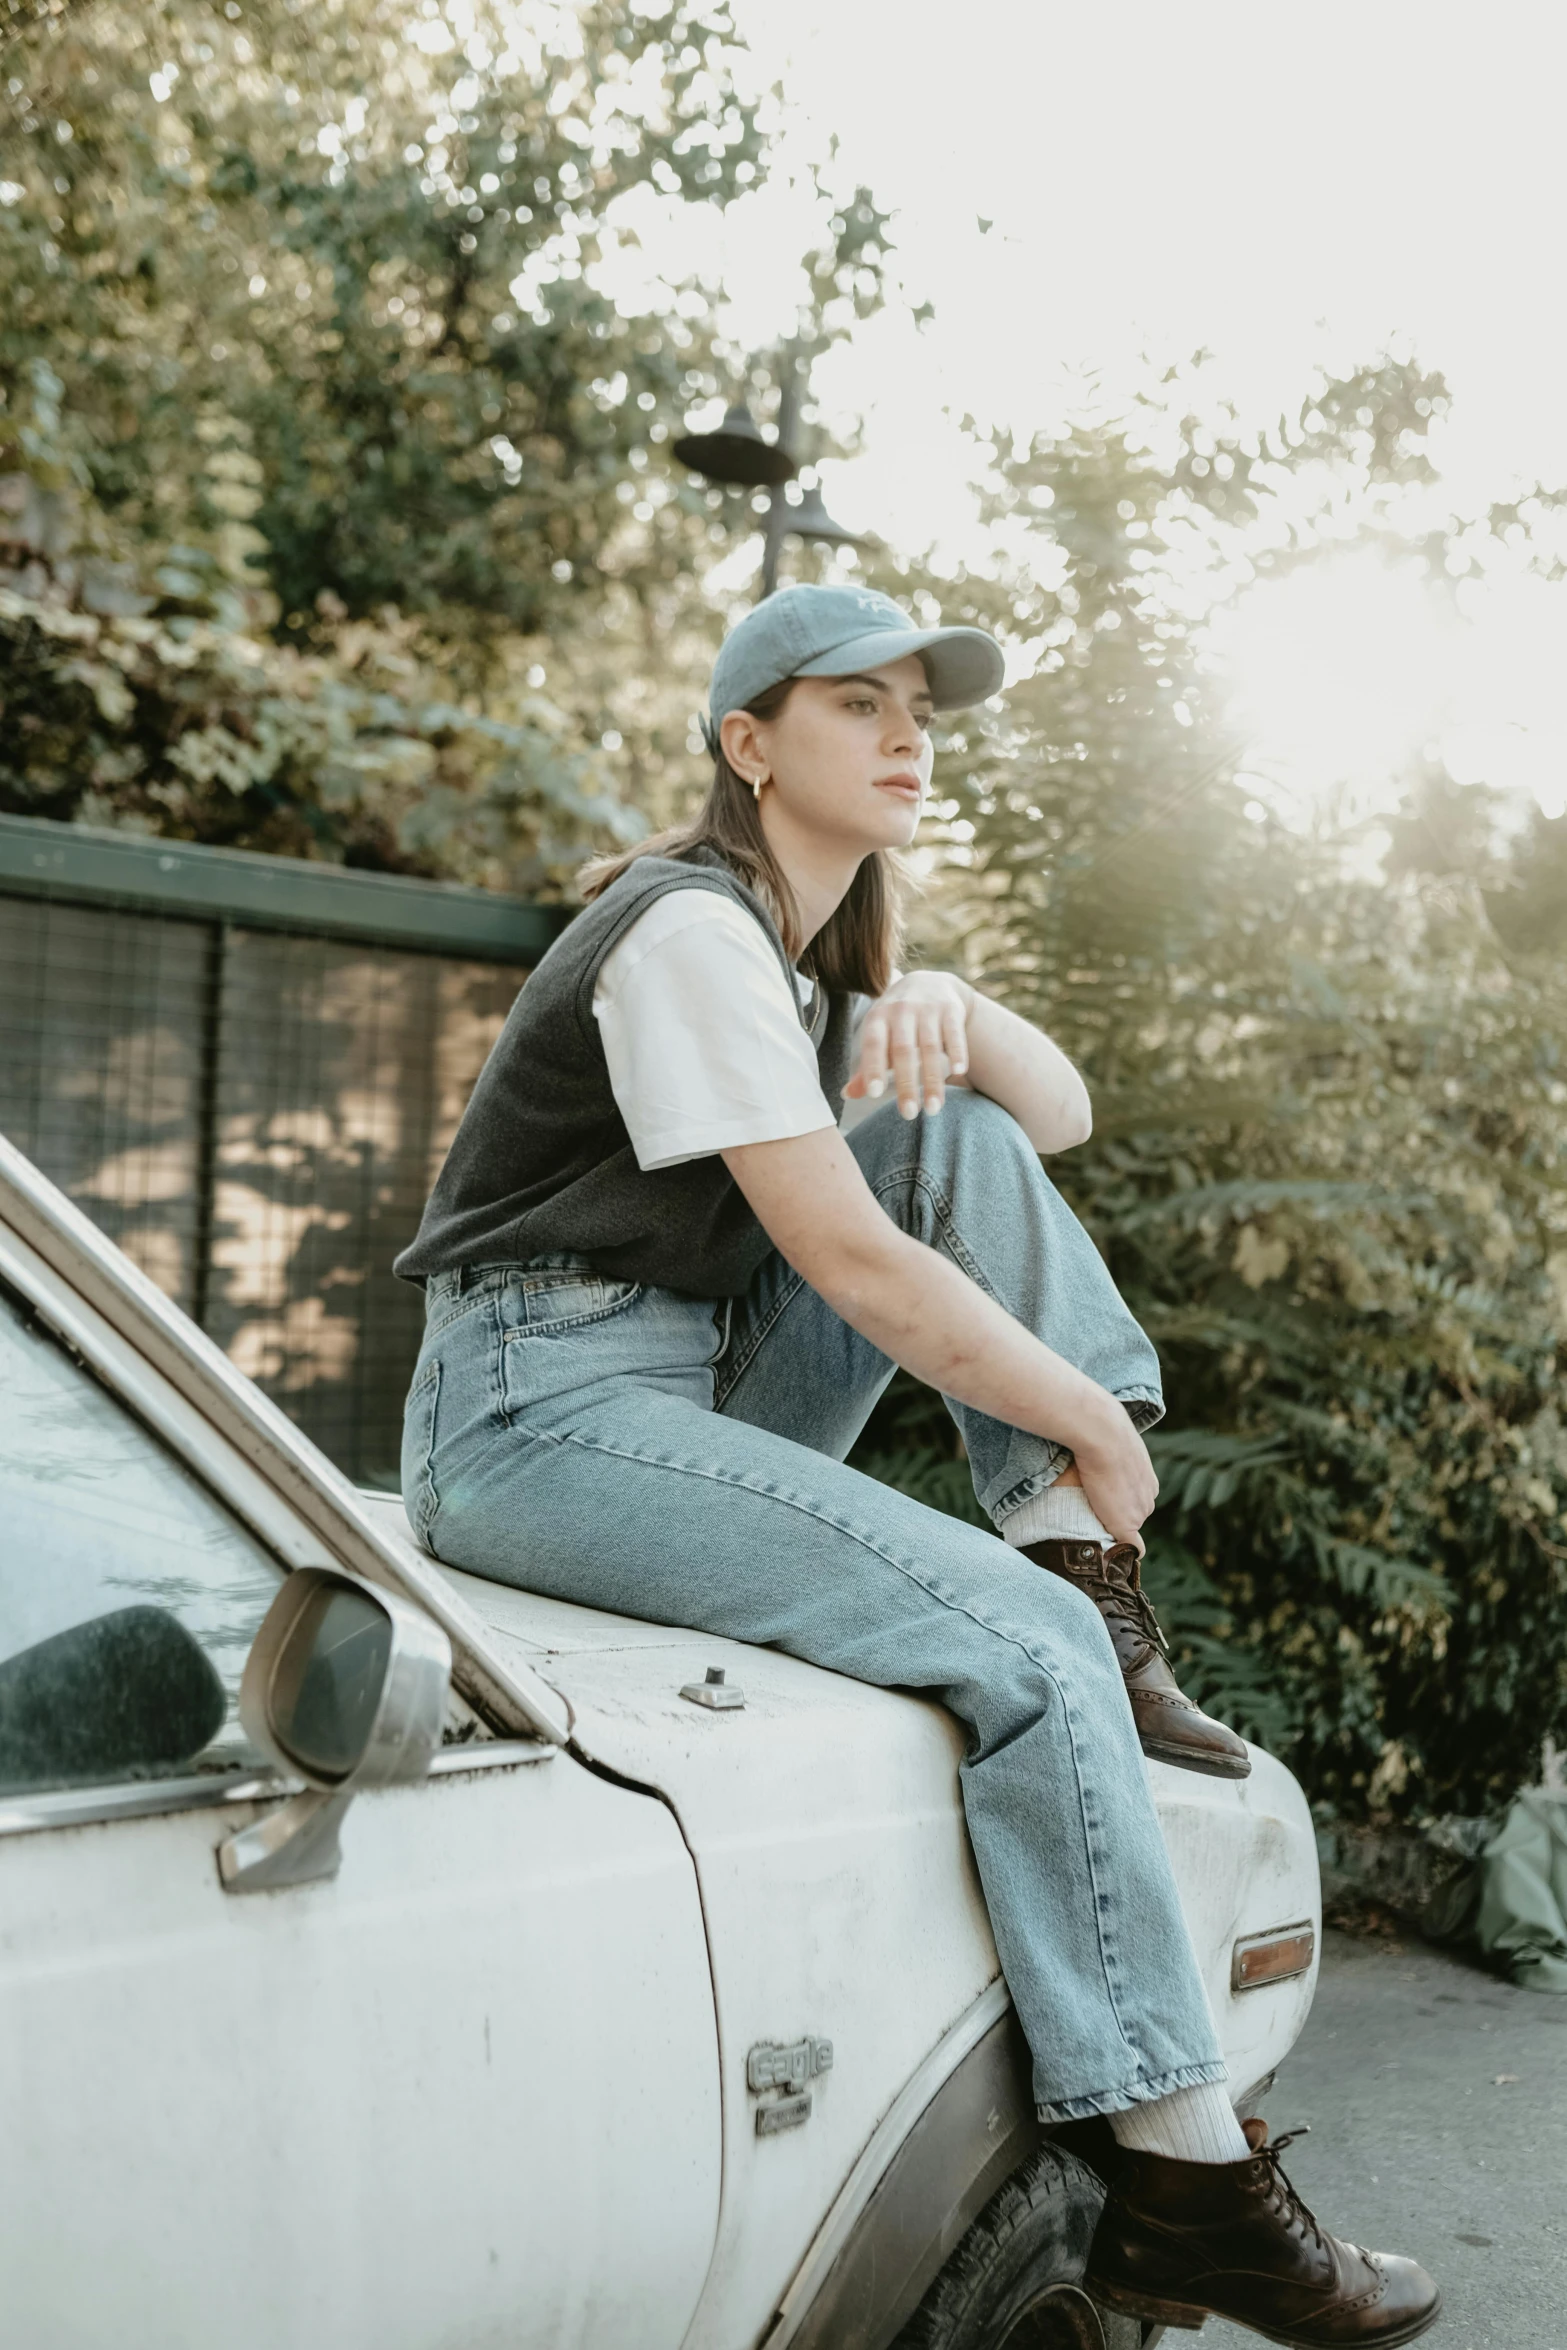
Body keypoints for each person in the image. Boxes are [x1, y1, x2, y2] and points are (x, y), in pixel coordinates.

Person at [395, 584, 1439, 2347]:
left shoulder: (803, 971)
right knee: (1020, 1658)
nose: (905, 736)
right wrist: (1094, 1417)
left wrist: (936, 992)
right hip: (534, 1410)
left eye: (922, 714)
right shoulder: (682, 931)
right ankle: (1190, 2177)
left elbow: (1054, 1118)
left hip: (680, 1385)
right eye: (856, 704)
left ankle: (1072, 1568)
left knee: (940, 1118)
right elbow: (857, 1265)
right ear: (747, 743)